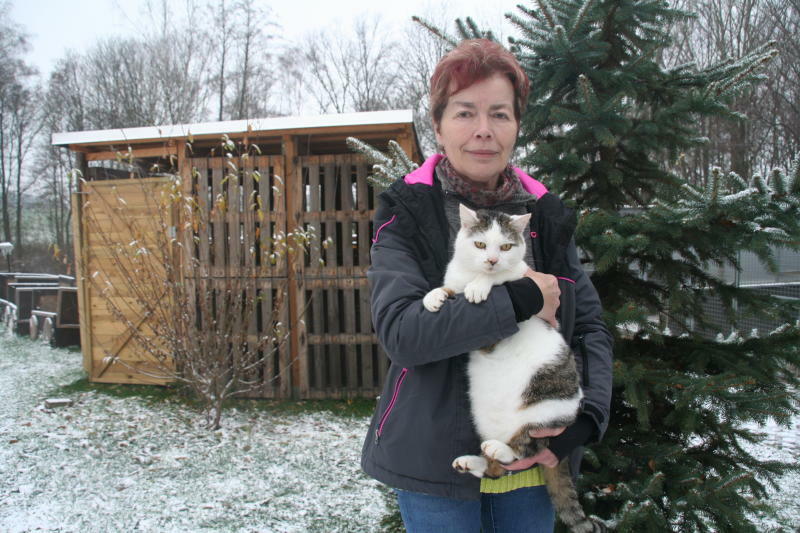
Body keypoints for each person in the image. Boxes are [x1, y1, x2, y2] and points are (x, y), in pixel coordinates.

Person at [360, 39, 613, 533]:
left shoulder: (544, 214)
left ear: (517, 126)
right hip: (435, 463)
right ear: (437, 125)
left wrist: (585, 419)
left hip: (530, 463)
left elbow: (591, 328)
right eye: (464, 113)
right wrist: (519, 299)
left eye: (499, 114)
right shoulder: (406, 212)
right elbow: (403, 333)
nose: (483, 130)